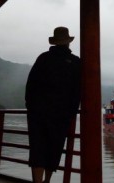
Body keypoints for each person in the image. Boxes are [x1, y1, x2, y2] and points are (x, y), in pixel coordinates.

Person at [25, 26, 81, 183]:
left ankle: (38, 181)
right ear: (68, 42)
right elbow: (78, 92)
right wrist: (71, 112)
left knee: (37, 149)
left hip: (38, 114)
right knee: (54, 149)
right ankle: (47, 181)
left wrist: (31, 108)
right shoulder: (76, 63)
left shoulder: (43, 58)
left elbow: (30, 85)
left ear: (55, 42)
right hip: (61, 115)